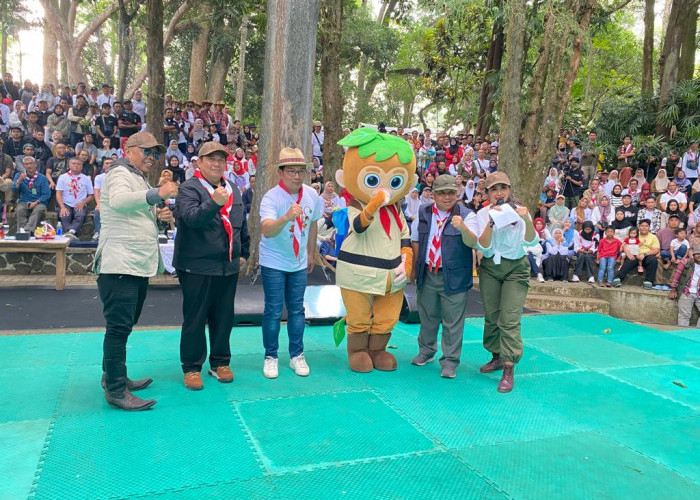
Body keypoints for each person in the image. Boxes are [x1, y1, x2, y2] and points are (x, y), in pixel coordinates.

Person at [95, 131, 179, 411]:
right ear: (128, 149)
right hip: (120, 264)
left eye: (156, 154)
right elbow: (118, 201)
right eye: (147, 152)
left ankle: (114, 378)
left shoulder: (135, 176)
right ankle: (116, 390)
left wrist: (155, 212)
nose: (153, 158)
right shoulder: (119, 172)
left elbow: (129, 209)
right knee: (119, 328)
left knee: (123, 326)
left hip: (132, 264)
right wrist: (156, 194)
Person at [173, 141, 250, 390]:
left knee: (224, 317)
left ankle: (220, 362)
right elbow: (191, 219)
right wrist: (214, 202)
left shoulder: (234, 190)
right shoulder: (188, 188)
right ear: (200, 162)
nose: (217, 164)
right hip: (196, 266)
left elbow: (241, 224)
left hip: (227, 266)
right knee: (195, 318)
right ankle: (192, 367)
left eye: (221, 160)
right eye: (211, 159)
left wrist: (245, 253)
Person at [259, 147, 322, 378]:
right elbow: (267, 230)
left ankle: (297, 355)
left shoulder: (312, 195)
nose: (297, 176)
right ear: (281, 172)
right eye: (291, 171)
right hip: (273, 261)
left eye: (300, 172)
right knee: (274, 310)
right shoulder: (271, 197)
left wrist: (311, 252)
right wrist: (286, 217)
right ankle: (271, 356)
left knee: (297, 309)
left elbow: (314, 223)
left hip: (298, 261)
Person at [475, 172, 538, 393]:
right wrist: (491, 222)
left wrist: (525, 219)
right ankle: (496, 356)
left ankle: (509, 367)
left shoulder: (520, 212)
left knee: (509, 318)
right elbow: (482, 246)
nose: (499, 193)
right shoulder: (483, 214)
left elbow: (532, 240)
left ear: (509, 190)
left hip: (516, 268)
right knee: (492, 316)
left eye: (503, 188)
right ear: (488, 193)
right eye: (494, 189)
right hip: (491, 268)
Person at [409, 175, 477, 378]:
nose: (447, 197)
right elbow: (415, 240)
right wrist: (414, 270)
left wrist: (462, 227)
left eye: (451, 193)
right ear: (433, 194)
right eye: (442, 193)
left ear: (457, 193)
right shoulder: (423, 212)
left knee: (452, 321)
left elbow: (474, 243)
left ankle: (449, 362)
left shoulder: (467, 215)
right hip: (428, 273)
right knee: (427, 316)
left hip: (455, 276)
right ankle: (426, 351)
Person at [612, 220, 660, 288]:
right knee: (629, 260)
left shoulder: (653, 237)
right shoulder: (634, 233)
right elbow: (625, 245)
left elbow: (656, 249)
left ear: (649, 227)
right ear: (639, 226)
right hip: (633, 254)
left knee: (653, 260)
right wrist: (628, 253)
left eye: (646, 226)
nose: (644, 228)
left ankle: (648, 281)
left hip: (646, 256)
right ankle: (618, 278)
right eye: (642, 226)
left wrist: (645, 254)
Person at [55, 157, 94, 239]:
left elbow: (91, 195)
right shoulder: (63, 177)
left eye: (78, 164)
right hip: (66, 203)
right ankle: (69, 233)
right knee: (65, 215)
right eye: (74, 163)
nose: (76, 165)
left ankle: (71, 232)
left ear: (82, 166)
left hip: (80, 203)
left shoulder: (86, 179)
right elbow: (58, 193)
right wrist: (62, 207)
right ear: (69, 165)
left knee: (80, 214)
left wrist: (83, 203)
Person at [12, 156, 50, 232]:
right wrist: (19, 181)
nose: (29, 166)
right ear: (23, 166)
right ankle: (21, 231)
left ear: (35, 164)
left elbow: (47, 194)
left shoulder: (42, 177)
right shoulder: (19, 175)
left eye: (31, 163)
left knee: (38, 210)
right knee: (20, 210)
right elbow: (14, 190)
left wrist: (36, 202)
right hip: (24, 202)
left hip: (39, 202)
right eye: (26, 164)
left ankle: (27, 230)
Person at [668, 247, 700, 326]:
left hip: (698, 292)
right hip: (686, 292)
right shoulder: (686, 262)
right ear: (693, 255)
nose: (699, 256)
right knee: (684, 315)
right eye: (697, 254)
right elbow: (676, 276)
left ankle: (697, 334)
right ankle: (683, 334)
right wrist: (673, 291)